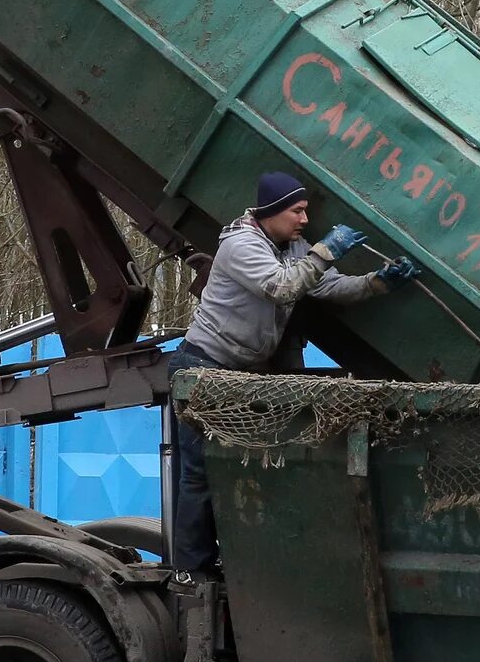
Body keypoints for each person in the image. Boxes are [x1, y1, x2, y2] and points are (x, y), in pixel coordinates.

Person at [168, 171, 422, 576]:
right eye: (297, 211)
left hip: (239, 373)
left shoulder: (290, 247)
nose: (305, 219)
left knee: (231, 468)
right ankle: (190, 572)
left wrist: (379, 283)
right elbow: (282, 288)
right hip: (202, 368)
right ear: (272, 211)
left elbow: (329, 288)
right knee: (200, 472)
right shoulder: (241, 245)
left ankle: (224, 559)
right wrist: (324, 252)